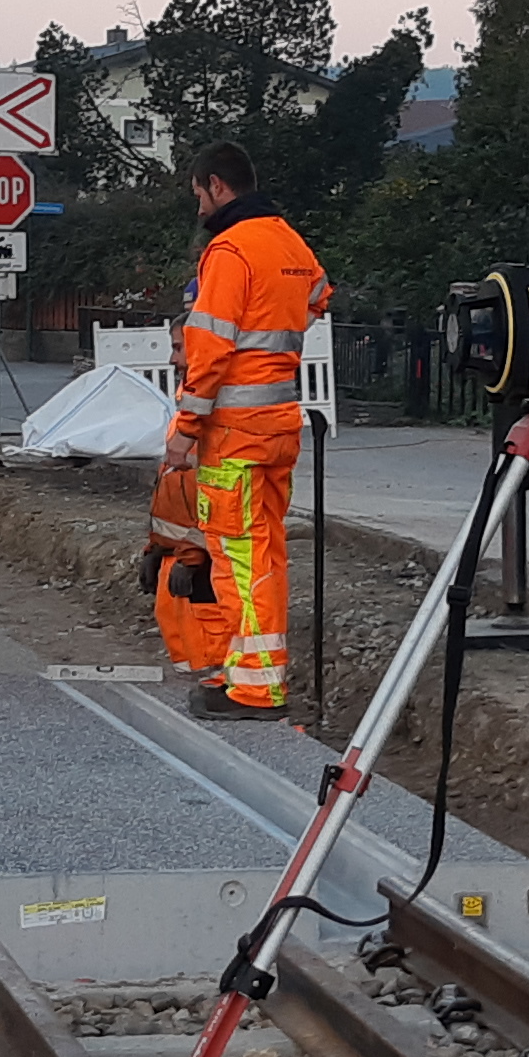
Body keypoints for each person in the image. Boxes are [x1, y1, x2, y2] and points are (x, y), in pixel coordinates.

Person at [165, 142, 325, 716]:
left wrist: (186, 426)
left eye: (198, 195)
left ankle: (256, 687)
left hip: (234, 432)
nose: (198, 206)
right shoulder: (288, 240)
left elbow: (208, 350)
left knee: (239, 559)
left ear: (216, 186)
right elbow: (317, 298)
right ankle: (251, 672)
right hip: (279, 425)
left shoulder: (230, 249)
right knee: (266, 554)